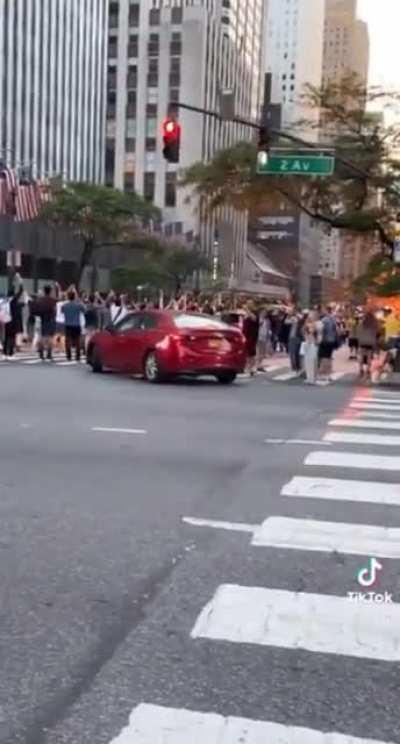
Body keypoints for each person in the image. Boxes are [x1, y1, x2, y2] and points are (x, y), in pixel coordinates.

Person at [31, 285, 57, 360]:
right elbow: (55, 310)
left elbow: (37, 310)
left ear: (44, 291)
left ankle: (41, 353)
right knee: (50, 337)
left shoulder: (41, 300)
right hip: (51, 319)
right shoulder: (53, 300)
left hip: (43, 319)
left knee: (43, 336)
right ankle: (49, 353)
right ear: (50, 291)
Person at [61, 289, 85, 361]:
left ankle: (69, 355)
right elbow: (84, 310)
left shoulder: (65, 305)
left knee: (67, 340)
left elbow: (62, 311)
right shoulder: (78, 305)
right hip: (76, 324)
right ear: (74, 297)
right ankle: (77, 356)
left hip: (68, 324)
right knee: (77, 340)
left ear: (68, 297)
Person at [357, 311, 380, 382]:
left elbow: (359, 331)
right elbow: (377, 333)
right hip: (370, 342)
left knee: (361, 355)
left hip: (363, 341)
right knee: (369, 357)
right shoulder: (374, 324)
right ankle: (367, 370)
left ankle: (361, 369)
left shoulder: (362, 323)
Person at [318, 306, 339, 381]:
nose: (323, 311)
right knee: (329, 357)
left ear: (326, 311)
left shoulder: (324, 320)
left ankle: (322, 373)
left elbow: (321, 331)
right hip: (332, 340)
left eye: (324, 310)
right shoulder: (333, 319)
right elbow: (336, 329)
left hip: (325, 340)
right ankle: (328, 374)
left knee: (324, 357)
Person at [3, 286, 24, 357]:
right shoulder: (13, 300)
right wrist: (20, 283)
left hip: (6, 320)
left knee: (6, 336)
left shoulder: (5, 300)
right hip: (13, 320)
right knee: (12, 337)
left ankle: (5, 352)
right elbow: (20, 292)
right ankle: (11, 352)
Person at [242, 303, 259, 376]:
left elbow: (255, 319)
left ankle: (252, 367)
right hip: (246, 335)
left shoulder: (253, 315)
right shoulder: (246, 315)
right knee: (247, 352)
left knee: (251, 353)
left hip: (252, 336)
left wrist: (248, 312)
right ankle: (248, 367)